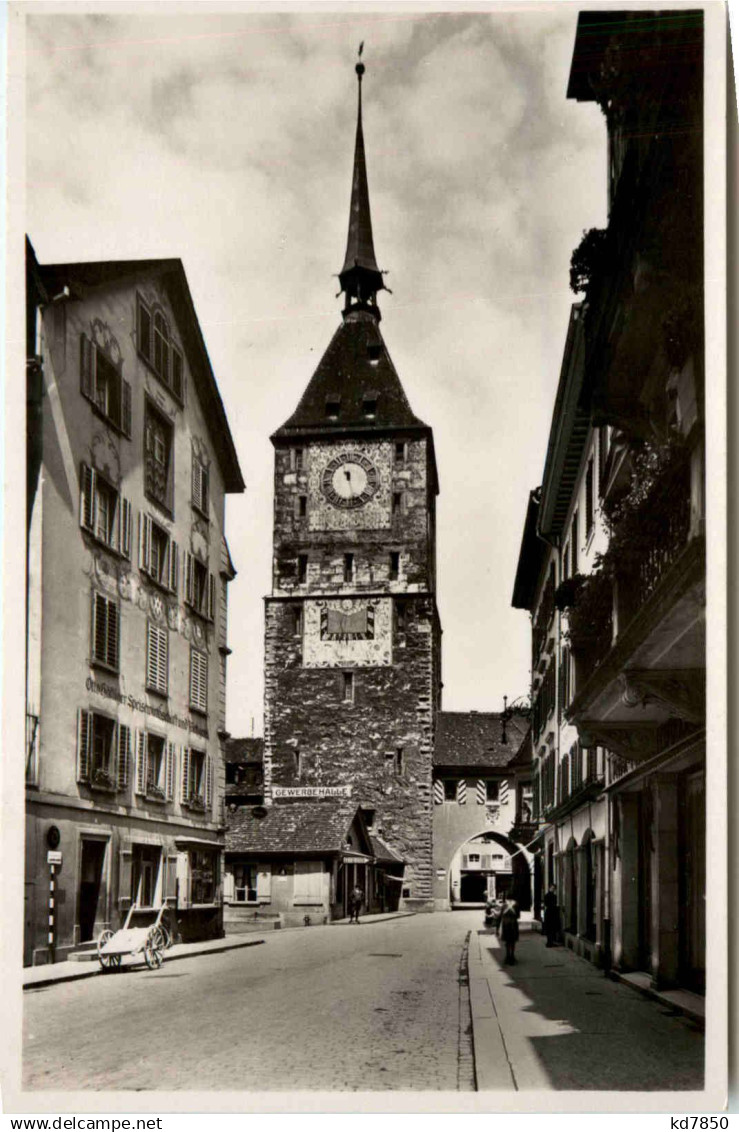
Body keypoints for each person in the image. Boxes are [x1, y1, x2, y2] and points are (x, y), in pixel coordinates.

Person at [499, 898, 519, 964]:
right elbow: (518, 916)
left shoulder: (505, 905)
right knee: (511, 941)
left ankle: (509, 956)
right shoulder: (514, 905)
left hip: (508, 925)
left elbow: (501, 914)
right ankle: (510, 956)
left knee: (509, 941)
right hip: (511, 925)